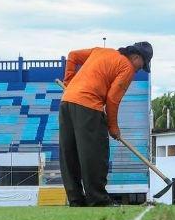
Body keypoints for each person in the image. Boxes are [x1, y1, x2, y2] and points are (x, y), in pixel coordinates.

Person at [59, 41, 153, 207]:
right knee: (95, 154)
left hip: (67, 102)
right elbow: (112, 99)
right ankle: (98, 200)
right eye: (142, 64)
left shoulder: (101, 51)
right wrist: (113, 127)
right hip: (88, 106)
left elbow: (72, 55)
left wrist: (69, 82)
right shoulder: (127, 67)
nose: (140, 69)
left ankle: (76, 200)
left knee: (69, 154)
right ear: (136, 56)